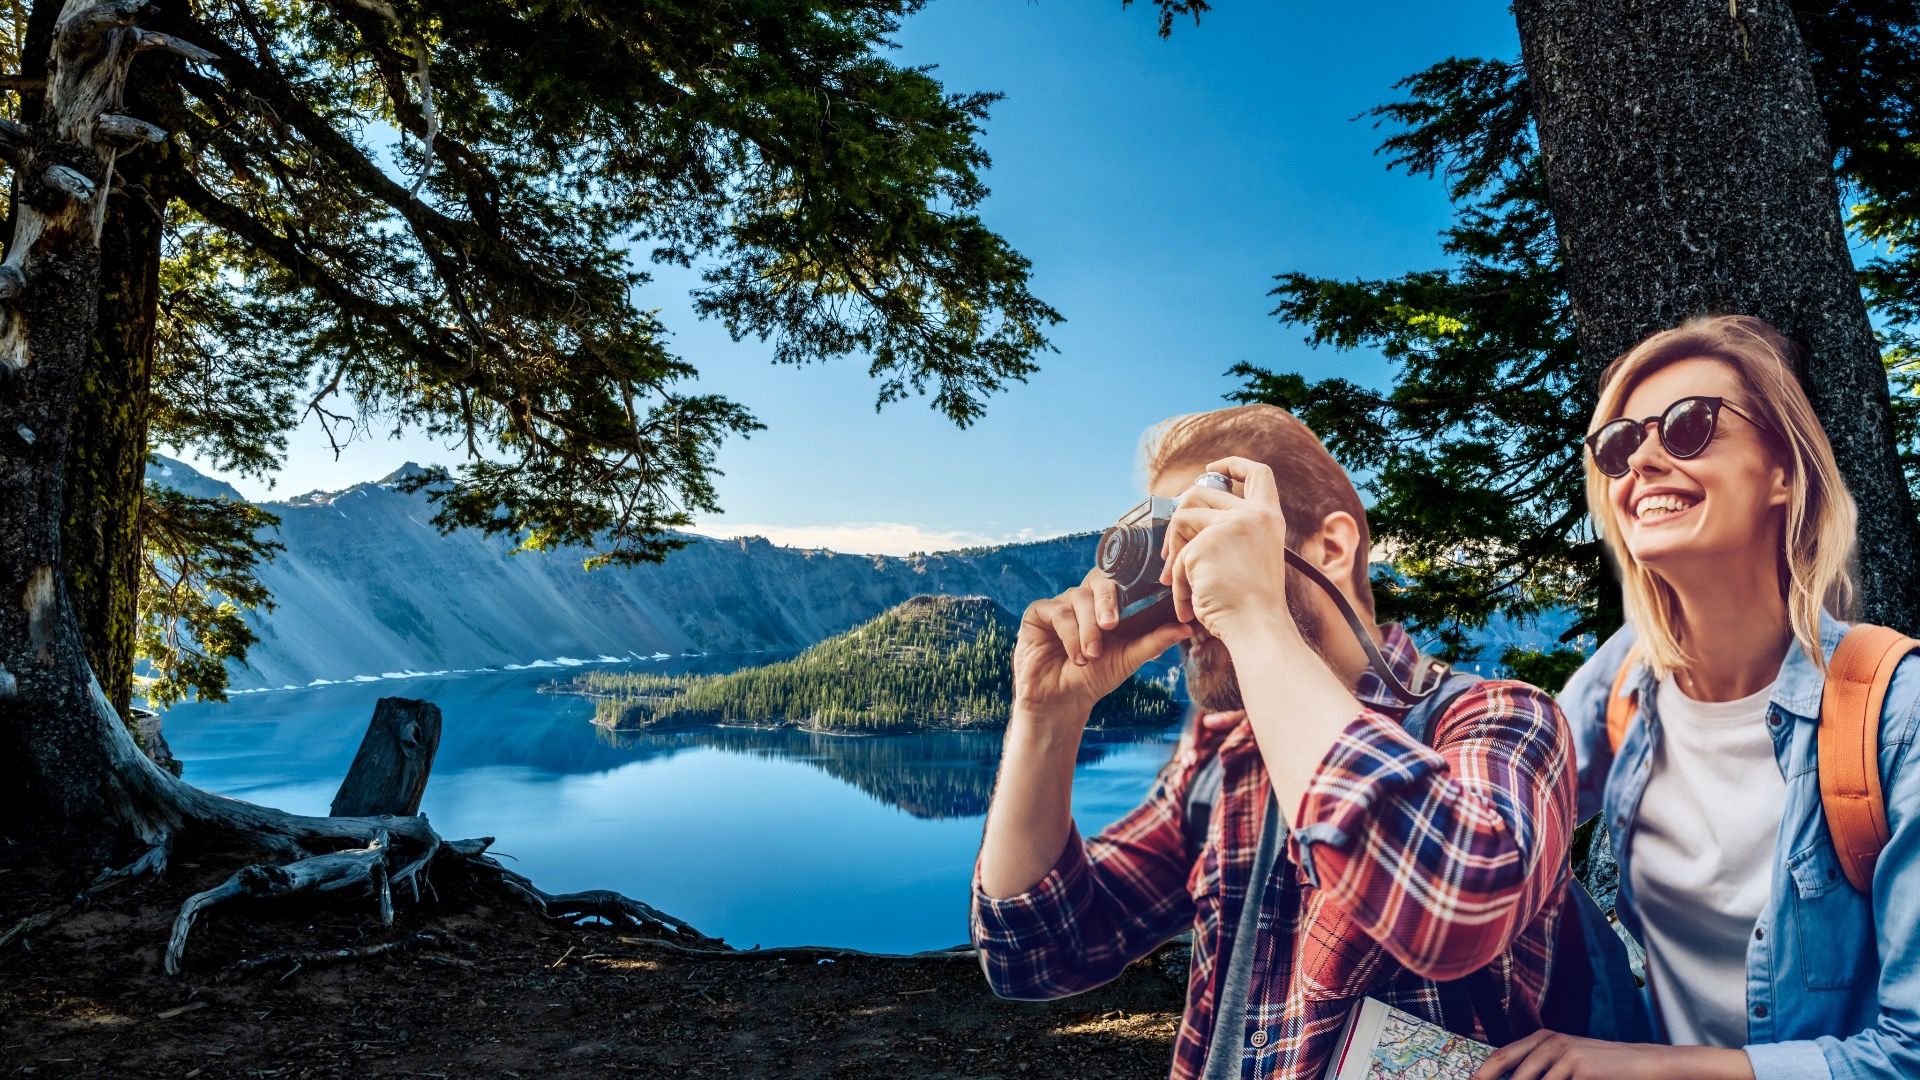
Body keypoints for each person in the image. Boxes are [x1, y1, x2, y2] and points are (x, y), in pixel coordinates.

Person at [970, 403, 1578, 1080]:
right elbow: (1037, 953)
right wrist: (1046, 718)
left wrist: (1253, 614)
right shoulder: (1225, 757)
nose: (1185, 583)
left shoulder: (1497, 718)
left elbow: (1455, 906)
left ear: (1331, 546)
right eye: (1170, 551)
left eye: (1205, 536)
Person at [1476, 314, 1920, 1080]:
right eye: (1617, 445)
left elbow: (1910, 1052)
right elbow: (1483, 836)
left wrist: (1643, 1068)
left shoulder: (1896, 715)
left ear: (1783, 472)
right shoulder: (1625, 678)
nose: (1641, 460)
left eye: (1688, 427)